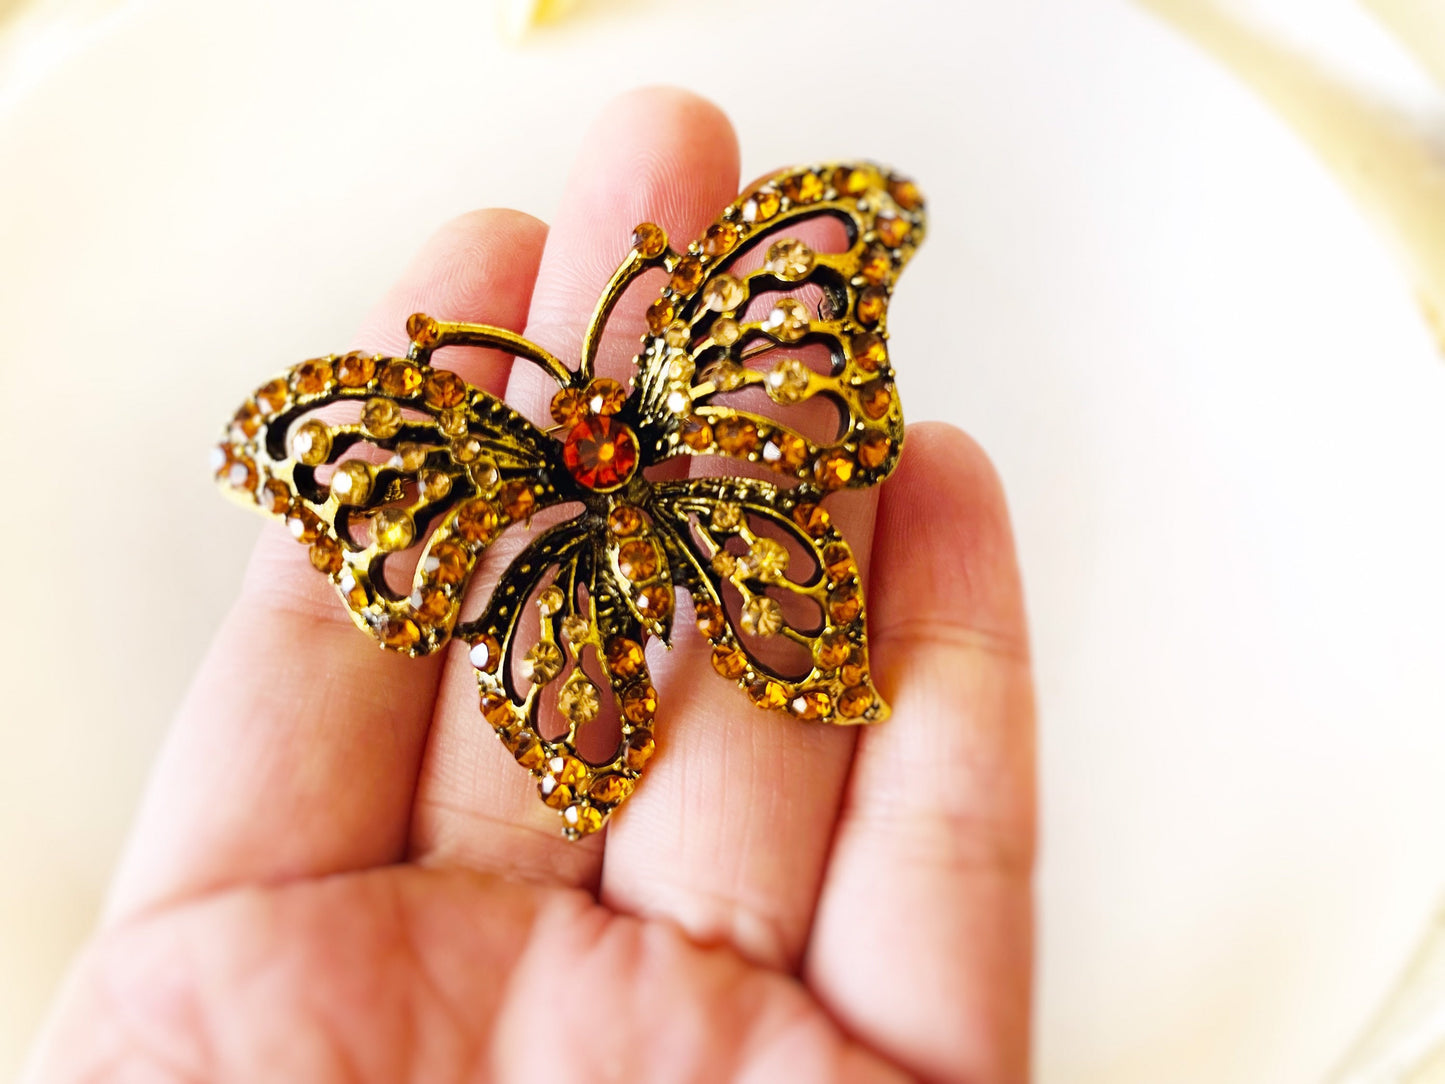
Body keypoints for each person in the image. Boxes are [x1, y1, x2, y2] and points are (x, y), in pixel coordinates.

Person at [24, 88, 1036, 1083]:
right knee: (750, 598)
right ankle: (753, 685)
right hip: (668, 539)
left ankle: (792, 678)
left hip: (577, 571)